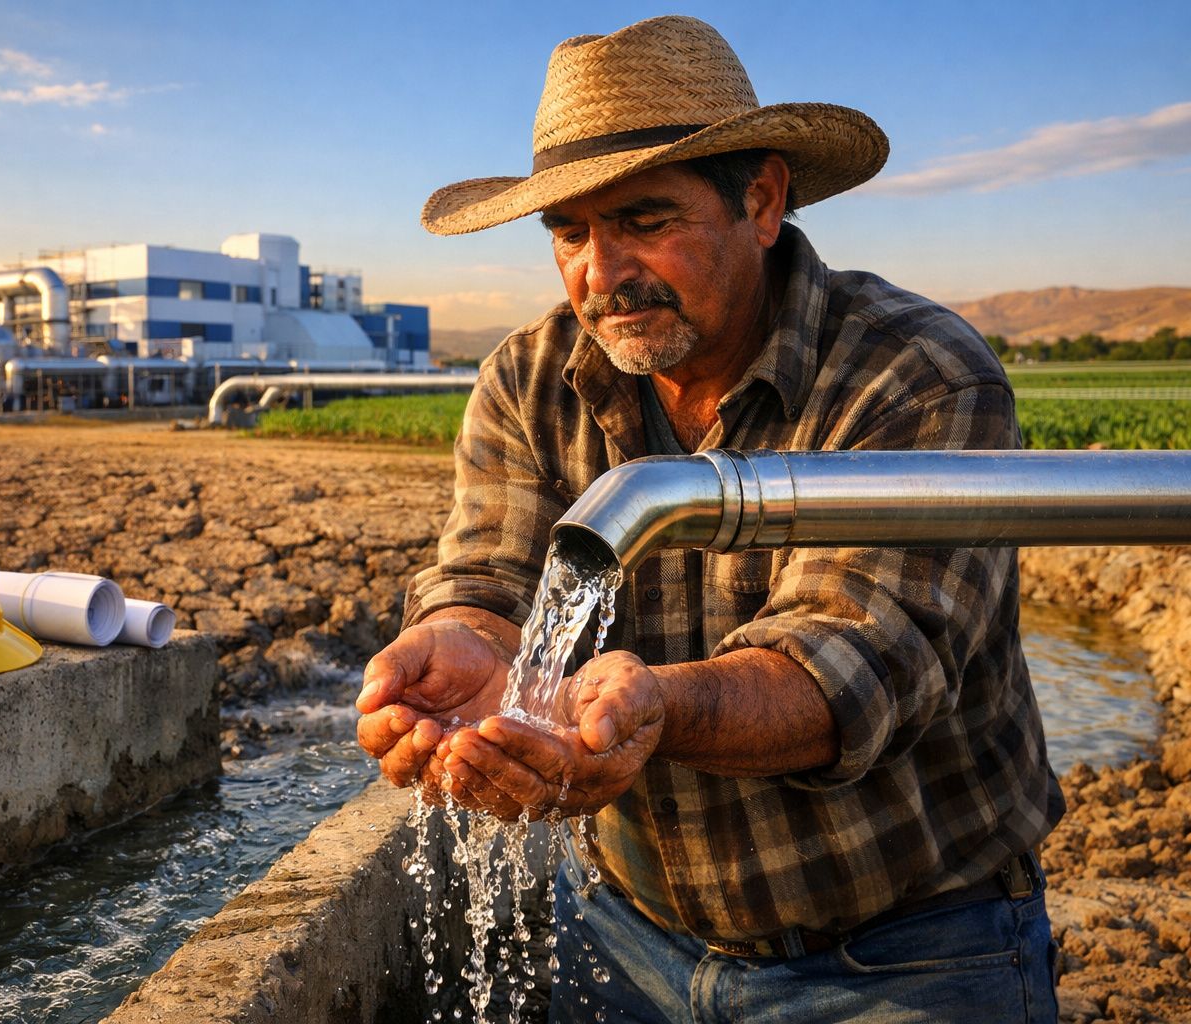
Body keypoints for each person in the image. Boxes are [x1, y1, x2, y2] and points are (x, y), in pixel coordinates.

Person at [355, 15, 1062, 1024]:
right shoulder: (527, 380)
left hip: (906, 956)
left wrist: (655, 708)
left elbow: (853, 665)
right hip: (623, 933)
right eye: (569, 233)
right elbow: (490, 577)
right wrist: (453, 645)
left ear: (762, 199)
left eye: (644, 221)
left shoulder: (913, 374)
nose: (601, 273)